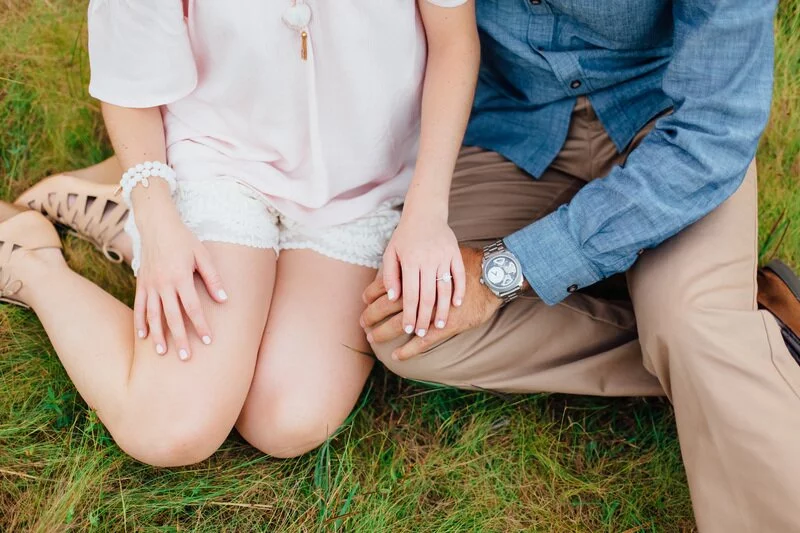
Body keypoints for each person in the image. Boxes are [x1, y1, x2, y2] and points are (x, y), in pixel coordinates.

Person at [360, 1, 800, 531]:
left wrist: (505, 269)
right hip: (516, 127)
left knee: (691, 325)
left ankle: (702, 337)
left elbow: (714, 133)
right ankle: (736, 339)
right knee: (411, 322)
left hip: (669, 134)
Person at [4, 0, 479, 466]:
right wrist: (159, 219)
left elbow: (453, 38)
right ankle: (34, 261)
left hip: (364, 181)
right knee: (170, 429)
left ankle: (127, 222)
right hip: (221, 155)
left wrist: (426, 212)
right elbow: (130, 77)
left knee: (289, 419)